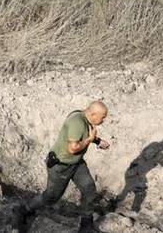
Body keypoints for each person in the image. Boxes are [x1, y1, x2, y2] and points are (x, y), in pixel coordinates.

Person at [14, 100, 111, 233]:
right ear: (93, 115)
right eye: (103, 117)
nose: (103, 120)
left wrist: (97, 141)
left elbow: (84, 134)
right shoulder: (76, 122)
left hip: (76, 163)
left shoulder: (86, 118)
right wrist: (89, 139)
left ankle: (86, 225)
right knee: (51, 196)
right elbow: (73, 148)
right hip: (61, 165)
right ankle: (24, 209)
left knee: (89, 188)